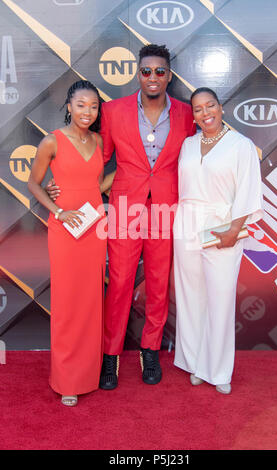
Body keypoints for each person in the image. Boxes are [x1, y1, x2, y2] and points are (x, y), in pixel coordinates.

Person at [98, 44, 195, 389]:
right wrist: (66, 185)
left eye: (159, 71)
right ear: (137, 74)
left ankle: (150, 350)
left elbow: (197, 161)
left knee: (157, 284)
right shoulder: (112, 111)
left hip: (167, 209)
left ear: (168, 75)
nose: (152, 77)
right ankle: (110, 356)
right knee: (121, 282)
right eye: (145, 71)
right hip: (125, 207)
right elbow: (99, 159)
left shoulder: (186, 114)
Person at [173, 87, 264, 394]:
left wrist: (233, 230)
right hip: (186, 224)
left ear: (221, 107)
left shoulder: (241, 145)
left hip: (222, 227)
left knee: (220, 300)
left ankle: (219, 369)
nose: (205, 113)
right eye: (197, 109)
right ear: (193, 115)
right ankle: (197, 363)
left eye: (209, 105)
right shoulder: (187, 145)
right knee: (190, 298)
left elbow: (249, 190)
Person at [28, 80, 107, 406]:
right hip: (64, 230)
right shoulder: (52, 142)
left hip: (94, 228)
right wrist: (58, 210)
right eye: (81, 105)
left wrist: (128, 174)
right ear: (69, 107)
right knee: (66, 303)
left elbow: (95, 183)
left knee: (90, 302)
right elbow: (33, 183)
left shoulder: (99, 140)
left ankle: (89, 373)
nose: (87, 112)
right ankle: (67, 380)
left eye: (93, 106)